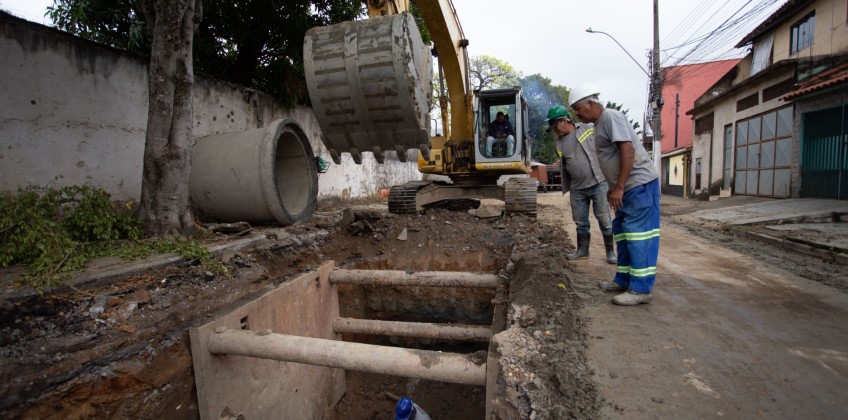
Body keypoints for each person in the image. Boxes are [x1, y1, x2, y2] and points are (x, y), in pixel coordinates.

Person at [568, 83, 660, 306]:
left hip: (639, 186)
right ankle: (624, 279)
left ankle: (640, 289)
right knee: (622, 232)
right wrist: (615, 187)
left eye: (578, 109)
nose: (577, 114)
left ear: (590, 103)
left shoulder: (611, 117)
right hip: (625, 188)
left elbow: (626, 150)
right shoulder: (599, 123)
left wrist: (619, 186)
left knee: (639, 235)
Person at [546, 105, 616, 264]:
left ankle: (611, 252)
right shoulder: (559, 142)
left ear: (564, 120)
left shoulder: (588, 128)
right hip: (577, 187)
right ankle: (582, 251)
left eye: (555, 125)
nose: (554, 130)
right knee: (580, 222)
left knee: (604, 219)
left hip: (598, 183)